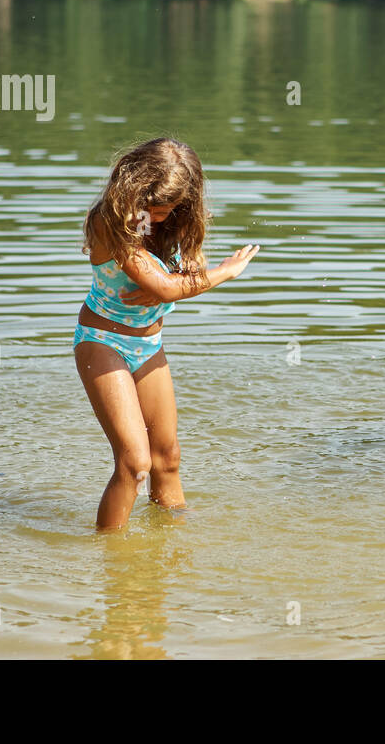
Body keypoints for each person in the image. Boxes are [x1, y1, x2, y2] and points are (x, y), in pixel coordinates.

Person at [74, 137, 259, 530]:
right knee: (134, 463)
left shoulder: (174, 223)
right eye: (149, 205)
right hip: (103, 341)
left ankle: (172, 540)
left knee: (167, 456)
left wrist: (171, 278)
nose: (153, 215)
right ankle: (111, 560)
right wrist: (225, 271)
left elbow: (179, 277)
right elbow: (169, 289)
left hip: (148, 343)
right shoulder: (110, 220)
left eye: (164, 208)